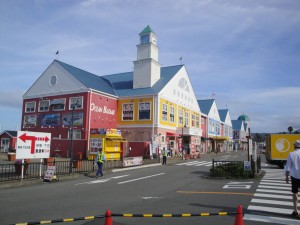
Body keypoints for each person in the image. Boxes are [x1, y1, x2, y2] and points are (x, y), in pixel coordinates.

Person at [285, 140, 300, 218]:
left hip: (294, 176)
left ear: (294, 146)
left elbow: (288, 166)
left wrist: (286, 176)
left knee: (295, 193)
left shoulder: (291, 154)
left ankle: (296, 210)